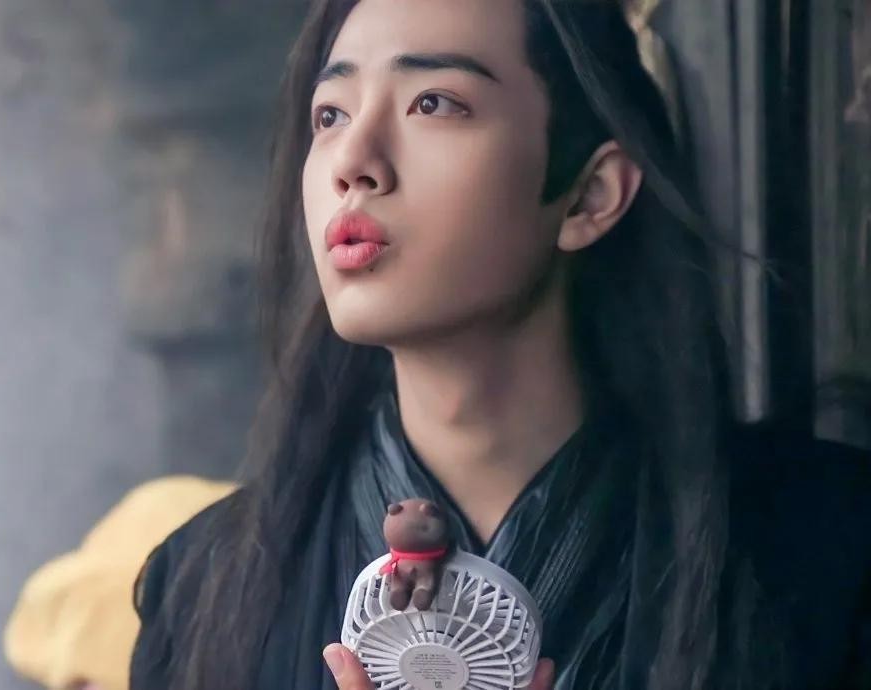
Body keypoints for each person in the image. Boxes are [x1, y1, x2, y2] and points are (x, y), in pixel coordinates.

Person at [129, 1, 871, 689]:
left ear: (590, 195)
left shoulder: (827, 551)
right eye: (330, 114)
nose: (353, 159)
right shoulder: (200, 590)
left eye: (433, 103)